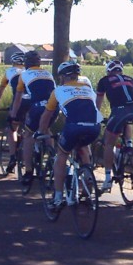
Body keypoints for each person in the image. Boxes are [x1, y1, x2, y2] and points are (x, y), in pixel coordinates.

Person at [37, 61, 103, 210]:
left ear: (63, 77)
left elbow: (46, 116)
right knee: (84, 148)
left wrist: (41, 132)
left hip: (73, 127)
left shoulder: (58, 91)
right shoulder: (88, 89)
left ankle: (58, 198)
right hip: (94, 127)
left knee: (61, 156)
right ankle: (88, 187)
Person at [95, 59, 133, 193]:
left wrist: (96, 117)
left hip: (119, 110)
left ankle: (107, 178)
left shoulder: (104, 80)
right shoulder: (130, 79)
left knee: (109, 143)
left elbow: (98, 103)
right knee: (128, 121)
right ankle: (129, 145)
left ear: (108, 71)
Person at [10, 50, 56, 187]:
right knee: (46, 129)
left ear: (26, 63)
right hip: (53, 108)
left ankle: (29, 171)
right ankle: (51, 159)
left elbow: (18, 99)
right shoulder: (48, 73)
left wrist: (13, 115)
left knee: (28, 135)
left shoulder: (23, 75)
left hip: (38, 107)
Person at [0, 52, 29, 175]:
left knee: (12, 129)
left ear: (13, 63)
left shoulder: (10, 72)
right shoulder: (30, 72)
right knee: (31, 129)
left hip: (18, 103)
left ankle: (13, 157)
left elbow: (0, 91)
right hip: (33, 102)